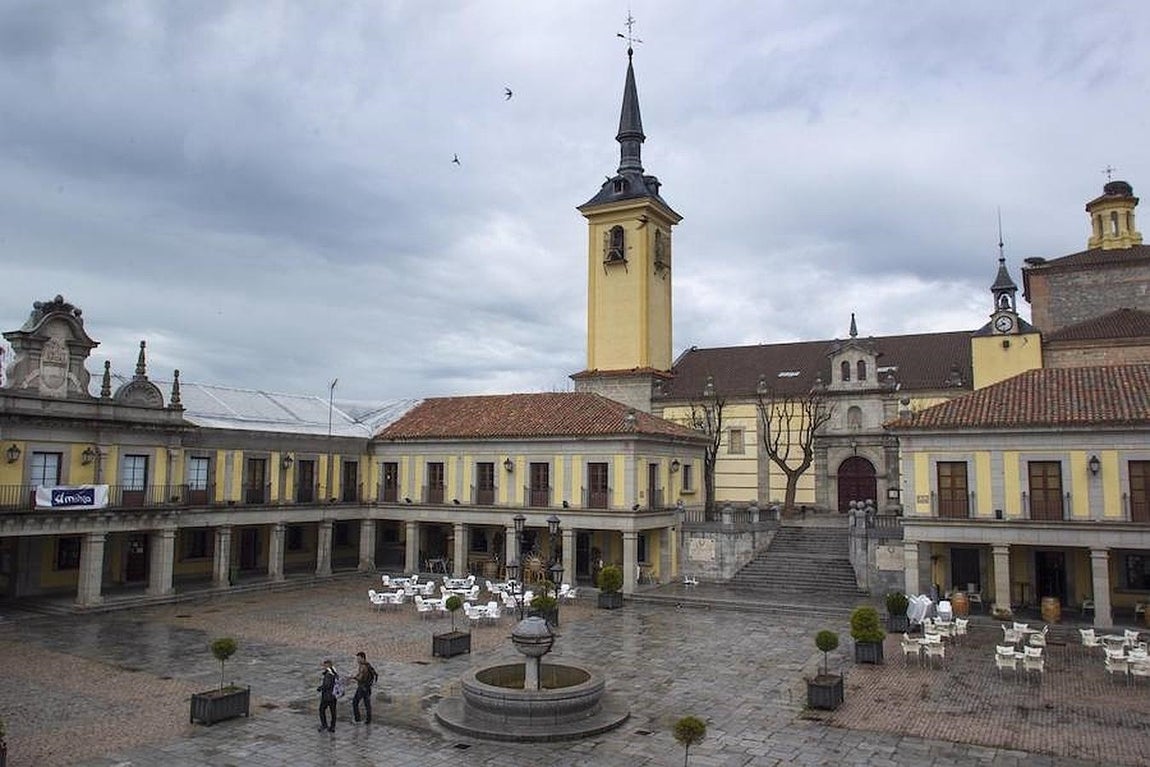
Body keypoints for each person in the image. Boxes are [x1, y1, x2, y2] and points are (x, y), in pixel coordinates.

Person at [351, 651, 378, 724]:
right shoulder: (368, 665)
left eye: (358, 659)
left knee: (355, 702)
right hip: (368, 687)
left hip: (362, 688)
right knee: (367, 704)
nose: (357, 660)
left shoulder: (363, 666)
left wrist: (353, 677)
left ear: (363, 658)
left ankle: (357, 719)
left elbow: (360, 677)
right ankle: (368, 720)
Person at [317, 659, 339, 733]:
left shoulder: (329, 674)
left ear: (328, 665)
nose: (324, 667)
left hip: (327, 696)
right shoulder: (335, 673)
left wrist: (320, 688)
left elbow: (327, 685)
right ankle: (332, 727)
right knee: (333, 712)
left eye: (325, 665)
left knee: (321, 710)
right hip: (334, 695)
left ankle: (324, 725)